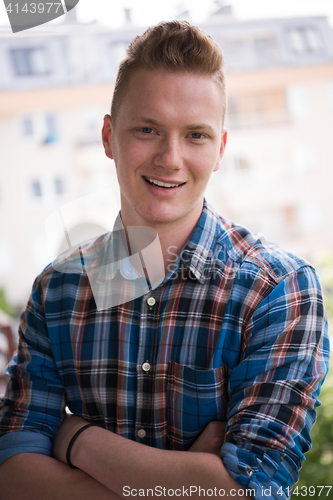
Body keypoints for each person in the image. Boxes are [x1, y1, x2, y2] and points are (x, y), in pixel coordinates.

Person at [0, 20, 330, 500]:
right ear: (109, 137)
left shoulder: (278, 291)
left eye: (195, 135)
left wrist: (77, 440)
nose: (170, 158)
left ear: (219, 149)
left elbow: (248, 490)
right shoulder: (57, 292)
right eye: (148, 129)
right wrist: (187, 481)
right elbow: (11, 477)